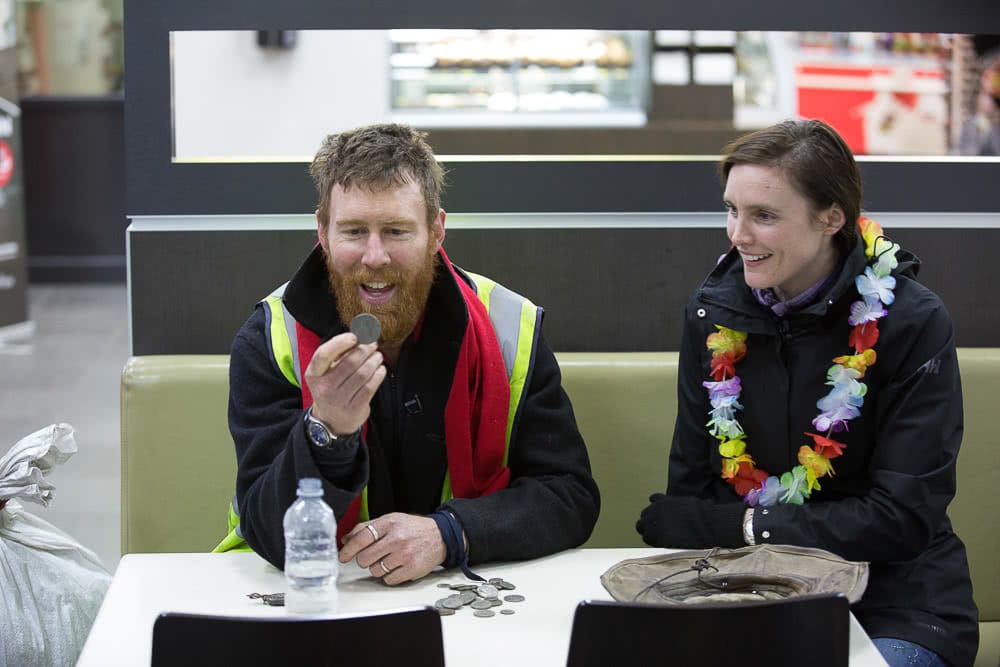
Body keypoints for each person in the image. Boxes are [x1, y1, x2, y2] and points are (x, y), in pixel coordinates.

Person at [636, 119, 978, 666]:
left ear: (831, 218)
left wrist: (749, 526)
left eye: (764, 216)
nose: (737, 235)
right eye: (731, 210)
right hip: (745, 597)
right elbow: (689, 499)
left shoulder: (910, 321)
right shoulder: (712, 313)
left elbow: (902, 519)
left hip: (894, 604)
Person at [216, 123, 600, 585]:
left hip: (458, 588)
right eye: (354, 231)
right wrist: (327, 430)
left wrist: (449, 533)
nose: (374, 256)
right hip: (306, 595)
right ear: (322, 231)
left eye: (396, 231)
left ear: (436, 230)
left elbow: (569, 496)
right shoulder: (269, 338)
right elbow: (272, 537)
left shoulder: (507, 326)